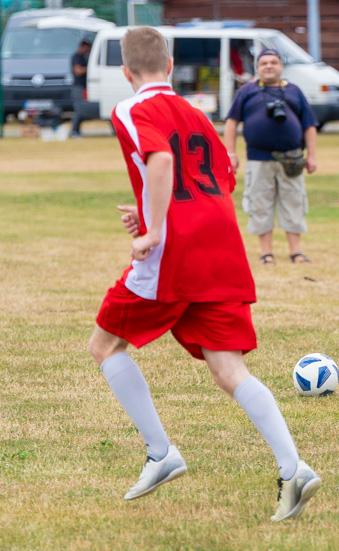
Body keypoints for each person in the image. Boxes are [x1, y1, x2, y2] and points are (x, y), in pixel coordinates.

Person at [87, 27, 320, 521]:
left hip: (178, 250)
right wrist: (151, 210)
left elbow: (163, 159)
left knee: (105, 345)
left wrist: (152, 228)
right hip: (222, 242)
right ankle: (293, 467)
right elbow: (222, 178)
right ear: (170, 66)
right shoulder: (196, 113)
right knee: (228, 369)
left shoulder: (131, 108)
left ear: (127, 73)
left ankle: (161, 454)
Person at [224, 48, 318, 265]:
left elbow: (309, 125)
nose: (269, 66)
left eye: (273, 62)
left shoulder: (294, 91)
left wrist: (311, 156)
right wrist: (231, 154)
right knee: (259, 204)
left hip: (291, 160)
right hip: (258, 159)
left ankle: (296, 252)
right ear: (257, 68)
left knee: (293, 203)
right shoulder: (247, 91)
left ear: (281, 66)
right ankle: (266, 253)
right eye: (264, 63)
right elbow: (231, 122)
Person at [70, 40, 91, 138]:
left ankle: (76, 130)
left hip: (83, 86)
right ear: (83, 47)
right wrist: (90, 68)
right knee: (79, 108)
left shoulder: (83, 57)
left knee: (81, 108)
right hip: (78, 87)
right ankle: (74, 130)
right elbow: (78, 71)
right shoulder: (76, 57)